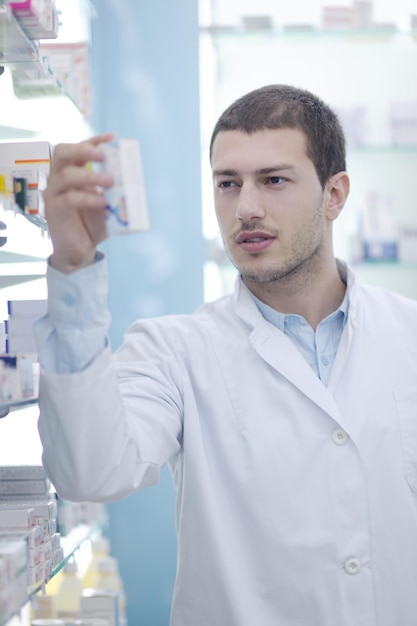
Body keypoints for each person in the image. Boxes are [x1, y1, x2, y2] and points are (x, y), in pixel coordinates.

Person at [35, 84, 417, 626]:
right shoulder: (174, 350)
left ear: (335, 195)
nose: (247, 209)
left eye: (274, 180)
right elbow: (89, 472)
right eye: (228, 183)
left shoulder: (408, 334)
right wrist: (74, 269)